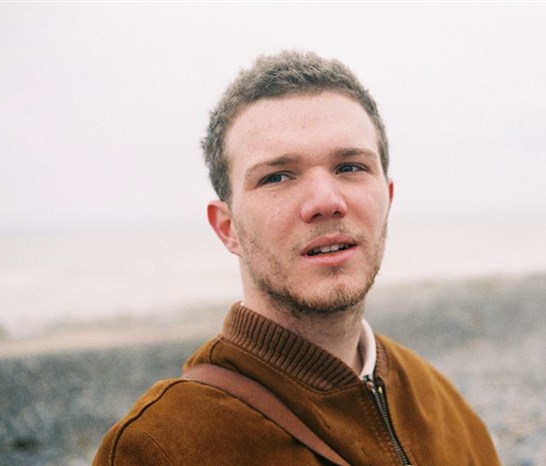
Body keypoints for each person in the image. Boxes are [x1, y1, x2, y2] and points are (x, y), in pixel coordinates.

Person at [93, 50, 500, 465]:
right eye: (277, 176)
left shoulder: (443, 405)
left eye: (350, 167)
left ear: (387, 198)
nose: (326, 202)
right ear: (227, 227)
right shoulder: (160, 448)